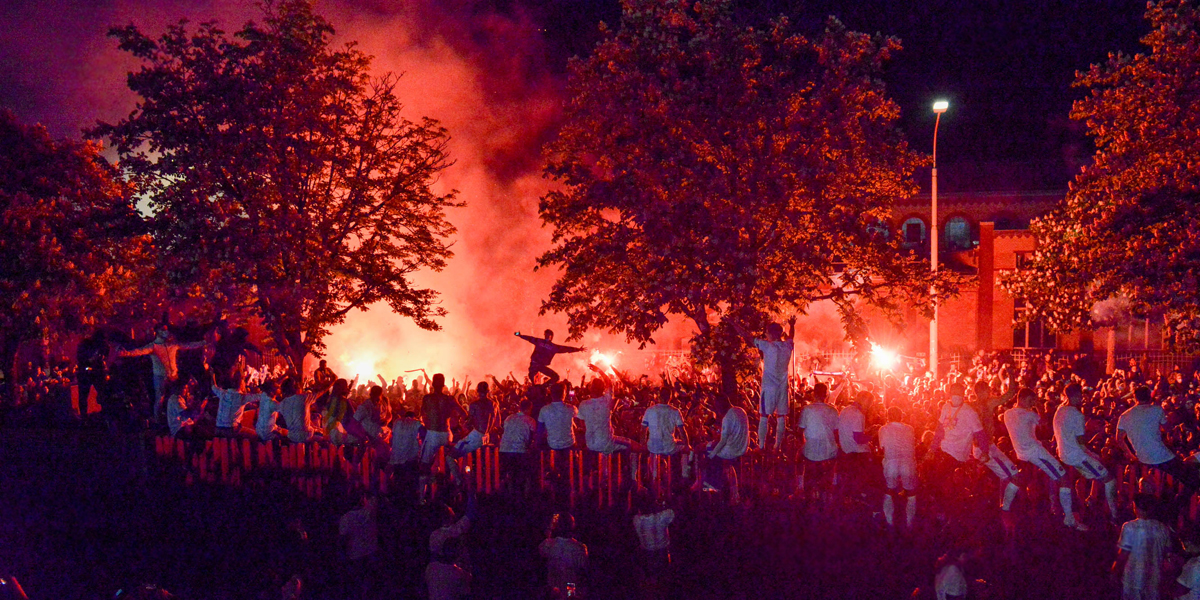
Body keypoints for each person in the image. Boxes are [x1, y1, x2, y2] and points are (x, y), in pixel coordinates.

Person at [1002, 387, 1087, 531]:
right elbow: (1044, 424)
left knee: (1019, 480)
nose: (1032, 403)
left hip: (1022, 454)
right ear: (1021, 399)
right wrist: (1039, 407)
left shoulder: (1007, 413)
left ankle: (1005, 509)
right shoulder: (1029, 414)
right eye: (1030, 400)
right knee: (1064, 479)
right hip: (1035, 452)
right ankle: (1069, 518)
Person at [932, 382, 1021, 518]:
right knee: (1010, 477)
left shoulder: (988, 403)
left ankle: (1003, 506)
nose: (989, 393)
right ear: (980, 392)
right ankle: (1004, 510)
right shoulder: (971, 407)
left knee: (1007, 477)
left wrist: (1010, 375)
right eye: (987, 390)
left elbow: (1010, 394)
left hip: (990, 447)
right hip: (981, 449)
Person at [1053, 381, 1119, 521]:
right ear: (1076, 396)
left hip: (1063, 454)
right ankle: (1114, 515)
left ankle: (1091, 500)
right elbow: (1082, 444)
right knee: (1110, 480)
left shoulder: (1060, 410)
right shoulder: (1077, 415)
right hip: (1076, 456)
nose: (1082, 398)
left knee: (1096, 474)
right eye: (1081, 395)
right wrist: (1095, 456)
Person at [1117, 386, 1200, 492]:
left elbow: (1119, 439)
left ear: (1135, 398)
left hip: (1142, 458)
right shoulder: (1156, 409)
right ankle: (1180, 500)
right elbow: (1167, 428)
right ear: (1149, 396)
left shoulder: (1124, 416)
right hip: (1161, 456)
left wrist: (1131, 456)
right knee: (1191, 479)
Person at [118, 323, 207, 421]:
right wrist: (126, 353)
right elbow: (139, 351)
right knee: (160, 398)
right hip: (160, 376)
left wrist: (203, 343)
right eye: (163, 330)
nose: (166, 332)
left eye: (166, 329)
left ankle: (176, 419)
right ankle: (157, 420)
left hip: (173, 376)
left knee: (177, 398)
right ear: (158, 332)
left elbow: (188, 345)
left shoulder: (172, 344)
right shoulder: (154, 346)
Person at [746, 317, 795, 450]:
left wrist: (735, 324)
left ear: (772, 334)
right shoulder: (787, 346)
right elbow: (791, 337)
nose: (766, 335)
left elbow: (749, 338)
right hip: (782, 387)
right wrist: (792, 325)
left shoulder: (768, 346)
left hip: (768, 388)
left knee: (764, 415)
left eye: (767, 332)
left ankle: (761, 445)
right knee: (781, 416)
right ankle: (777, 446)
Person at [1114, 494, 1173, 600]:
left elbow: (1123, 554)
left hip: (1133, 580)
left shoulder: (1130, 527)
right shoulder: (1163, 528)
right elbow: (1168, 555)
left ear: (1135, 507)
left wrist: (1115, 571)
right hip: (1154, 580)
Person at [420, 374, 467, 499]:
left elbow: (423, 415)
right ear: (443, 385)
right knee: (448, 458)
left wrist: (428, 425)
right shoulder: (449, 399)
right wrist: (462, 426)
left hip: (433, 433)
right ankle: (458, 482)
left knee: (424, 464)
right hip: (446, 434)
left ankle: (421, 499)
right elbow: (464, 413)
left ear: (432, 384)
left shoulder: (427, 398)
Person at [799, 379, 843, 504]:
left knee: (805, 469)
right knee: (828, 476)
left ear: (814, 394)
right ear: (826, 394)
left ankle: (804, 493)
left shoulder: (807, 410)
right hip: (828, 451)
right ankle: (828, 496)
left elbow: (800, 430)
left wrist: (803, 444)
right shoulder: (833, 410)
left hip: (810, 452)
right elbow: (836, 432)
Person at [878, 406, 917, 529]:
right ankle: (910, 524)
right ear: (901, 416)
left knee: (889, 490)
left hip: (891, 463)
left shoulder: (883, 429)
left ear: (888, 416)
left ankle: (890, 522)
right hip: (908, 463)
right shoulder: (910, 429)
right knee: (910, 492)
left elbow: (882, 447)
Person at [338, 493, 379, 600]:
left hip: (355, 555)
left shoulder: (346, 518)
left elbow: (343, 539)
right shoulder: (369, 512)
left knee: (357, 585)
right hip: (371, 552)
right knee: (370, 584)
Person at [539, 512, 589, 598]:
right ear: (572, 526)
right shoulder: (580, 548)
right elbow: (583, 570)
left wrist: (550, 529)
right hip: (570, 590)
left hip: (554, 589)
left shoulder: (548, 545)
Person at [704, 401, 748, 498]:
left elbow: (722, 440)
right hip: (742, 447)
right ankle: (733, 494)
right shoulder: (741, 411)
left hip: (730, 449)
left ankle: (711, 488)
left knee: (707, 450)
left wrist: (712, 451)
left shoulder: (728, 417)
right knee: (726, 466)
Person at [516, 329, 585, 384]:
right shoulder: (553, 347)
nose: (545, 336)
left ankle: (540, 388)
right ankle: (541, 387)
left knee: (536, 380)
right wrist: (578, 349)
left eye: (545, 334)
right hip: (538, 366)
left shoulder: (540, 342)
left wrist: (520, 335)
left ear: (549, 336)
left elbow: (529, 338)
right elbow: (566, 349)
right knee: (555, 377)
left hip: (535, 365)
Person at [498, 399, 537, 495]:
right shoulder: (530, 420)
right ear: (529, 408)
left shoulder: (509, 418)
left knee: (510, 473)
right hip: (520, 450)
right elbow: (532, 436)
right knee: (526, 473)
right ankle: (526, 495)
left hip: (505, 449)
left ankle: (510, 494)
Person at [453, 382, 496, 457]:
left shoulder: (474, 404)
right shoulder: (492, 404)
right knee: (479, 457)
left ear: (477, 391)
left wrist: (464, 425)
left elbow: (469, 422)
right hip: (486, 435)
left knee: (452, 454)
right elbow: (493, 419)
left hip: (476, 435)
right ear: (487, 391)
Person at [75, 329, 109, 418]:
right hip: (85, 373)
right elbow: (80, 358)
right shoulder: (85, 345)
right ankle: (84, 417)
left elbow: (106, 354)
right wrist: (87, 364)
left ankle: (105, 414)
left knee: (103, 393)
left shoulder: (103, 345)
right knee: (83, 395)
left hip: (97, 372)